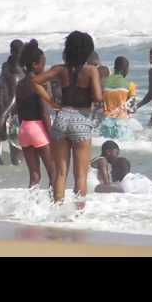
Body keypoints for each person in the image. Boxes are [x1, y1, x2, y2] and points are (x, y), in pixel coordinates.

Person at [31, 31, 102, 209]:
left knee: (60, 173)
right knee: (80, 175)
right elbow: (98, 97)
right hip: (81, 119)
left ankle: (57, 210)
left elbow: (35, 82)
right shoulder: (91, 70)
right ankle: (78, 214)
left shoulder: (60, 69)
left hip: (62, 117)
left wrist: (51, 102)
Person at [15, 39, 56, 189]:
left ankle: (32, 207)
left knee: (34, 175)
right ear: (35, 65)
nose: (44, 68)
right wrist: (51, 136)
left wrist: (23, 129)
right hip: (38, 128)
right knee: (53, 172)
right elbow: (44, 112)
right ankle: (55, 205)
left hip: (24, 128)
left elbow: (19, 111)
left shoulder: (20, 84)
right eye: (43, 64)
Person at [0, 41, 26, 166]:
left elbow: (15, 96)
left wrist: (2, 115)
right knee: (16, 152)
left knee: (17, 154)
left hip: (18, 114)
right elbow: (3, 87)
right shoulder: (7, 66)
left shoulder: (19, 70)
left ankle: (22, 181)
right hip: (11, 114)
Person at [99, 56, 138, 139]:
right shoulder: (130, 85)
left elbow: (98, 102)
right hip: (121, 124)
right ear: (126, 69)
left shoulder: (103, 82)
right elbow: (133, 108)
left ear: (114, 68)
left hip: (106, 123)